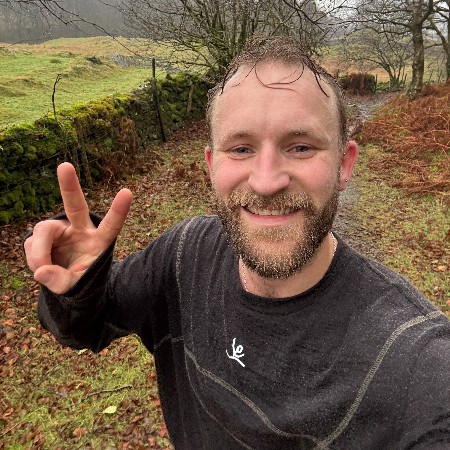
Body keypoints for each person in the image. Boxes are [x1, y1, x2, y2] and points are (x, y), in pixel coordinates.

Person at [24, 36, 450, 449]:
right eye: (241, 149)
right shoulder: (183, 256)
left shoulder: (414, 363)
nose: (266, 182)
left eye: (301, 147)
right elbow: (86, 326)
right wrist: (82, 286)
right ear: (212, 166)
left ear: (344, 164)